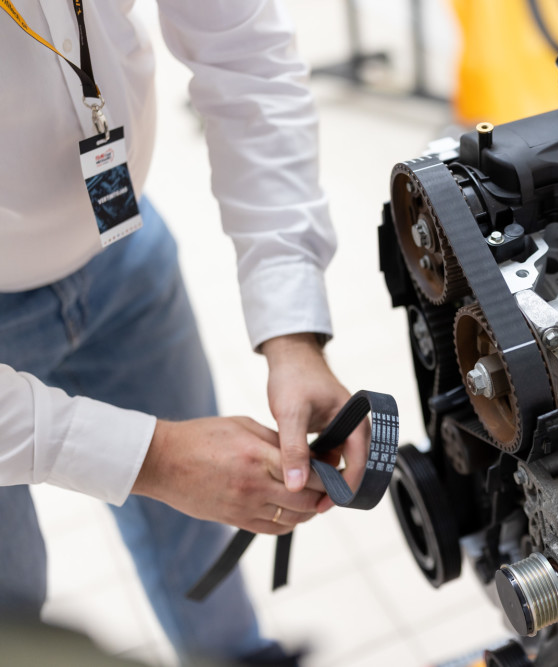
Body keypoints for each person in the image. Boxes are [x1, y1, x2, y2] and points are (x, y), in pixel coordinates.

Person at [0, 0, 368, 662]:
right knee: (12, 604)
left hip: (121, 248)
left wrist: (292, 328)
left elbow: (243, 50)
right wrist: (156, 457)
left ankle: (234, 654)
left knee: (200, 516)